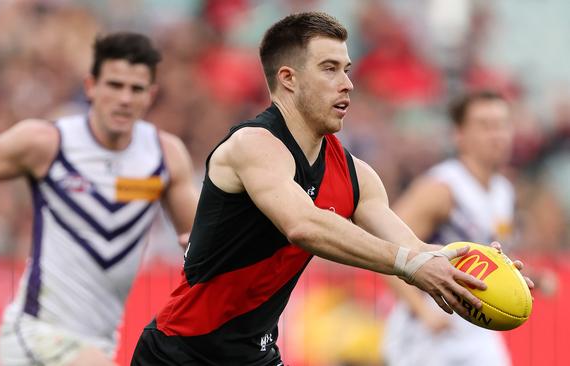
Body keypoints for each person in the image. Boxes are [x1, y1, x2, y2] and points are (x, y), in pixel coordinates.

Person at [130, 13, 530, 366]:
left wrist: (470, 268)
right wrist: (410, 265)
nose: (348, 84)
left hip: (256, 355)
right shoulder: (253, 145)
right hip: (180, 353)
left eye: (347, 69)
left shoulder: (358, 176)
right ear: (288, 79)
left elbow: (413, 247)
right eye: (330, 68)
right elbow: (303, 226)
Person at [0, 32, 199, 366]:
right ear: (91, 86)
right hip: (36, 334)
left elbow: (198, 241)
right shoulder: (49, 141)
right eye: (114, 85)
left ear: (150, 95)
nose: (124, 98)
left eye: (136, 89)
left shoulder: (164, 155)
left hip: (102, 341)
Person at [382, 90, 516, 366]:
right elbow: (388, 250)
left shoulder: (504, 191)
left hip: (478, 324)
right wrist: (423, 312)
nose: (497, 134)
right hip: (428, 330)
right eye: (485, 125)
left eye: (502, 125)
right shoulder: (441, 189)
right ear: (459, 135)